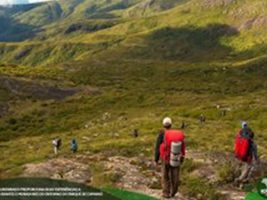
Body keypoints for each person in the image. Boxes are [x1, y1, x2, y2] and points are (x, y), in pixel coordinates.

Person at [155, 117, 186, 198]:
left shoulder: (162, 134)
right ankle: (174, 191)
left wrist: (156, 159)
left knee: (165, 176)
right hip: (175, 157)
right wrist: (182, 157)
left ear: (163, 125)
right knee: (175, 175)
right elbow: (183, 146)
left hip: (165, 158)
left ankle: (166, 193)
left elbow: (157, 147)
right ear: (171, 124)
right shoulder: (177, 134)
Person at [234, 122, 259, 186]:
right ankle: (240, 180)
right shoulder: (251, 143)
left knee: (242, 167)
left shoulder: (239, 137)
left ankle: (239, 180)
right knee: (248, 168)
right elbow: (255, 153)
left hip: (239, 155)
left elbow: (236, 147)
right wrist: (257, 160)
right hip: (247, 157)